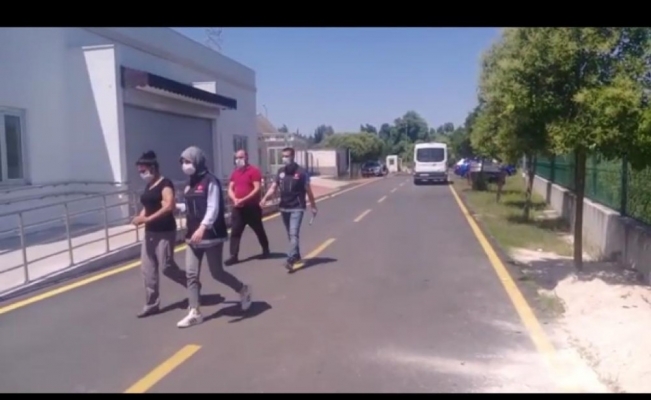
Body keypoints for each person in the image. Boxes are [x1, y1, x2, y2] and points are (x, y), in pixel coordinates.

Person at [176, 146, 252, 328]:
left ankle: (243, 289)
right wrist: (176, 207)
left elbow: (213, 207)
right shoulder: (189, 184)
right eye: (183, 162)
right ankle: (194, 311)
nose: (185, 165)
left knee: (217, 273)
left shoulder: (211, 181)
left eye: (188, 161)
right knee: (191, 275)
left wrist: (203, 227)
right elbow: (190, 206)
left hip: (211, 235)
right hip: (192, 236)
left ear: (197, 161)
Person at [131, 150, 186, 318]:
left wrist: (147, 219)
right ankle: (151, 304)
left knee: (167, 267)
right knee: (147, 269)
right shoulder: (149, 186)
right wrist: (141, 216)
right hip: (150, 233)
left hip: (164, 231)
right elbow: (148, 206)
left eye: (143, 170)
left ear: (153, 168)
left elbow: (169, 206)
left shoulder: (165, 184)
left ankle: (192, 284)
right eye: (139, 171)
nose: (141, 174)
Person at [260, 147, 317, 271]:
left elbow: (308, 190)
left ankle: (290, 259)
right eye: (283, 156)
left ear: (293, 156)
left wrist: (313, 206)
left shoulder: (301, 172)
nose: (284, 158)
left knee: (293, 233)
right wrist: (264, 198)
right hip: (284, 207)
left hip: (297, 207)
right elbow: (273, 187)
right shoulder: (281, 172)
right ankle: (296, 255)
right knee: (290, 235)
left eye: (287, 156)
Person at [224, 149, 270, 266]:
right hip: (238, 208)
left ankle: (265, 249)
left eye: (241, 157)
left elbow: (257, 188)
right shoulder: (235, 173)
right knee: (235, 231)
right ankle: (233, 256)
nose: (238, 160)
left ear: (246, 157)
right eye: (236, 158)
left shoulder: (254, 171)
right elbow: (230, 188)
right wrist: (235, 199)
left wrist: (244, 199)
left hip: (251, 207)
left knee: (258, 229)